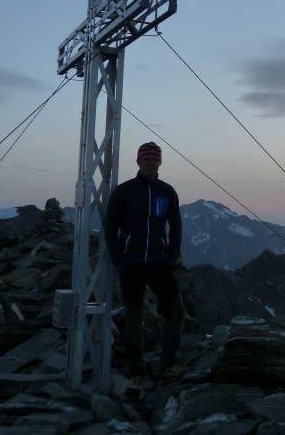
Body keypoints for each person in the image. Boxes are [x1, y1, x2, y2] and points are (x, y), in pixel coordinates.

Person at [104, 141, 185, 394]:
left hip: (159, 264)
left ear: (160, 162)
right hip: (132, 266)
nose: (151, 163)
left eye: (155, 159)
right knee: (132, 321)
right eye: (146, 159)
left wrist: (171, 256)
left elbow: (176, 225)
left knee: (177, 312)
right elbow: (111, 227)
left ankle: (168, 363)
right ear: (139, 161)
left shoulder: (167, 191)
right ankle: (136, 372)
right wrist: (119, 259)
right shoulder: (124, 191)